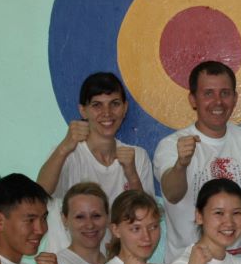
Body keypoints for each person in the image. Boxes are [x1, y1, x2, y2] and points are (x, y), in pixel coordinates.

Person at [153, 60, 241, 264]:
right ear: (193, 99)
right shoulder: (171, 145)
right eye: (208, 93)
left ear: (235, 98)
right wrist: (181, 165)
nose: (218, 101)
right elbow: (172, 194)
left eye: (225, 93)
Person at [36, 72, 153, 253]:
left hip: (113, 263)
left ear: (125, 108)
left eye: (115, 104)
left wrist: (132, 175)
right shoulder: (67, 152)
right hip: (64, 261)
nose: (107, 113)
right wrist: (64, 147)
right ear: (83, 111)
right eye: (97, 105)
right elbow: (39, 194)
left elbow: (145, 218)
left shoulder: (138, 157)